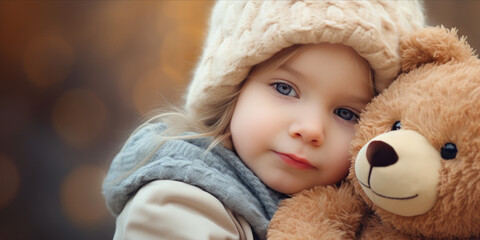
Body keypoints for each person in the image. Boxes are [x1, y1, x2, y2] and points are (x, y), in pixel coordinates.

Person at [103, 1, 425, 239]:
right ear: (233, 88)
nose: (311, 129)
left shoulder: (357, 216)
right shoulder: (177, 204)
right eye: (285, 89)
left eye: (346, 113)